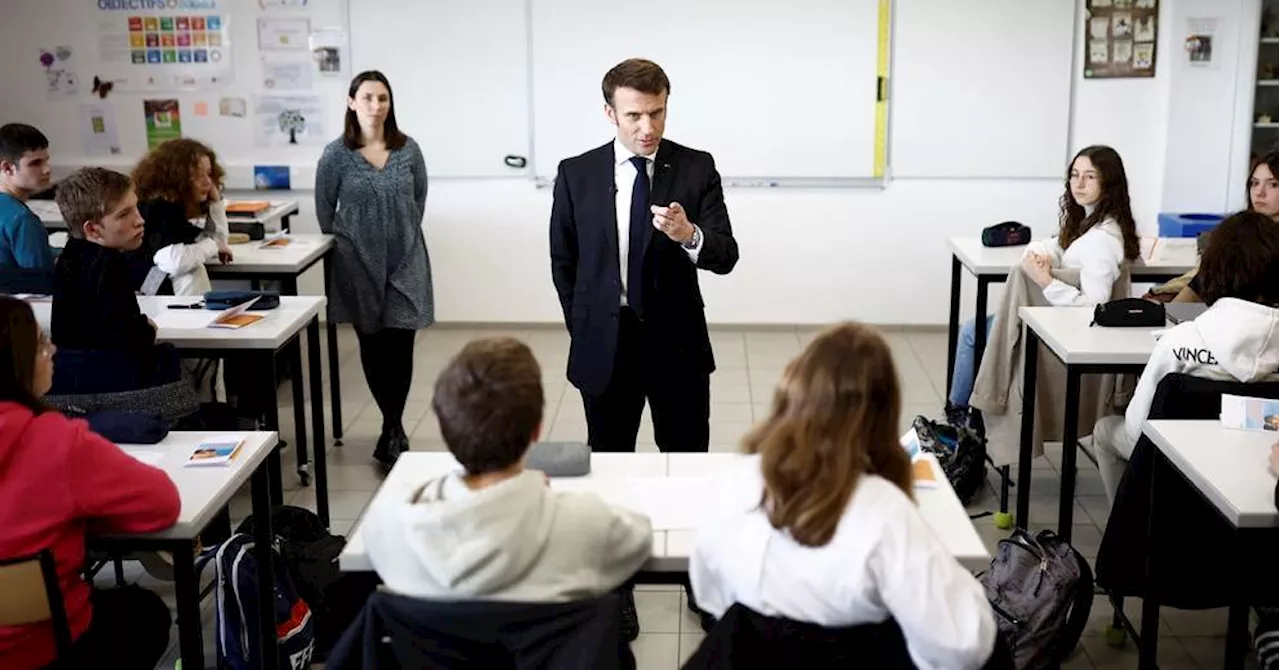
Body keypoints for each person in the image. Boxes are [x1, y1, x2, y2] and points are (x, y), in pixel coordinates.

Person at [690, 322, 997, 669]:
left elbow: (708, 593)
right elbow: (963, 645)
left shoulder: (738, 480)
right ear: (883, 414)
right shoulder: (884, 510)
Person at [360, 337, 651, 603]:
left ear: (446, 429)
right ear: (536, 431)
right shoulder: (588, 522)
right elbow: (640, 540)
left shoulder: (388, 525)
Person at [549, 58, 739, 454]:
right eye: (634, 115)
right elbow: (564, 261)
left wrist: (689, 235)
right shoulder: (576, 173)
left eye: (657, 113)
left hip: (677, 345)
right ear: (610, 113)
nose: (647, 128)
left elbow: (725, 256)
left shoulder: (696, 167)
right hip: (605, 344)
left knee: (685, 458)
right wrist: (584, 326)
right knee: (609, 459)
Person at [0, 295, 180, 669]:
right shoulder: (55, 442)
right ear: (17, 364)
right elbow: (162, 503)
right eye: (40, 344)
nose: (51, 350)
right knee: (144, 614)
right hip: (44, 647)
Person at [1092, 210, 1280, 509]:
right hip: (1262, 466)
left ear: (1213, 267)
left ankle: (1130, 536)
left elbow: (1135, 428)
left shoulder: (1180, 342)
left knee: (1105, 431)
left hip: (1178, 462)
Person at [946, 145, 1140, 431]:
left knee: (971, 332)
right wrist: (1040, 252)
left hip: (1058, 333)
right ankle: (963, 417)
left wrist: (1046, 282)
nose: (1079, 184)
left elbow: (1095, 308)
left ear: (1108, 183)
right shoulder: (1091, 223)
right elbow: (1056, 245)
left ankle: (957, 420)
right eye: (1074, 175)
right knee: (975, 329)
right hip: (1051, 321)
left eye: (1090, 177)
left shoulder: (1100, 241)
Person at [316, 70, 432, 469]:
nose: (376, 105)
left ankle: (393, 427)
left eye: (382, 98)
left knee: (401, 344)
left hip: (405, 259)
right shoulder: (336, 154)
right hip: (356, 264)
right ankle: (392, 426)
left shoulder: (408, 150)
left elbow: (418, 200)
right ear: (351, 102)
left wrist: (397, 235)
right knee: (373, 345)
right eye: (367, 97)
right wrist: (353, 245)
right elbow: (324, 210)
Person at [50, 168, 167, 388]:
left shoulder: (70, 255)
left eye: (136, 209)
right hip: (113, 386)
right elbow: (133, 338)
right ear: (93, 230)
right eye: (124, 215)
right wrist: (148, 326)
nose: (140, 220)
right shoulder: (110, 264)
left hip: (74, 385)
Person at [1154, 152, 1280, 303]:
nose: (1259, 192)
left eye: (1273, 184)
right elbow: (1203, 280)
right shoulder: (1240, 232)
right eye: (1255, 183)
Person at [128, 138, 233, 296]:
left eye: (209, 174)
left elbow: (213, 239)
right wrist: (213, 245)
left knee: (194, 267)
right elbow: (173, 260)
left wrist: (216, 203)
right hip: (145, 290)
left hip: (157, 286)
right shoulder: (157, 207)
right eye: (198, 175)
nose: (207, 182)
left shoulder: (175, 207)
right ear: (177, 178)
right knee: (192, 272)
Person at [0, 124, 55, 277]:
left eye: (46, 160)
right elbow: (43, 279)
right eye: (36, 163)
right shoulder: (22, 219)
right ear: (7, 168)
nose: (47, 169)